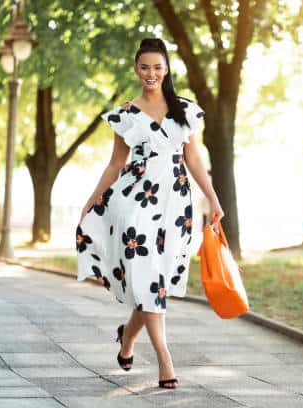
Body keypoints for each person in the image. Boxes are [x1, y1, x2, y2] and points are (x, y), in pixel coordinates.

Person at [75, 37, 224, 389]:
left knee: (156, 281)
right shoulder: (125, 114)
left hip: (176, 204)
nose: (151, 73)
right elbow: (115, 165)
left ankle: (127, 338)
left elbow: (194, 161)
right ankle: (165, 361)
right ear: (136, 69)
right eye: (144, 67)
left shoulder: (185, 110)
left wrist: (213, 199)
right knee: (147, 275)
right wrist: (90, 202)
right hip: (135, 200)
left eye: (157, 67)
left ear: (167, 69)